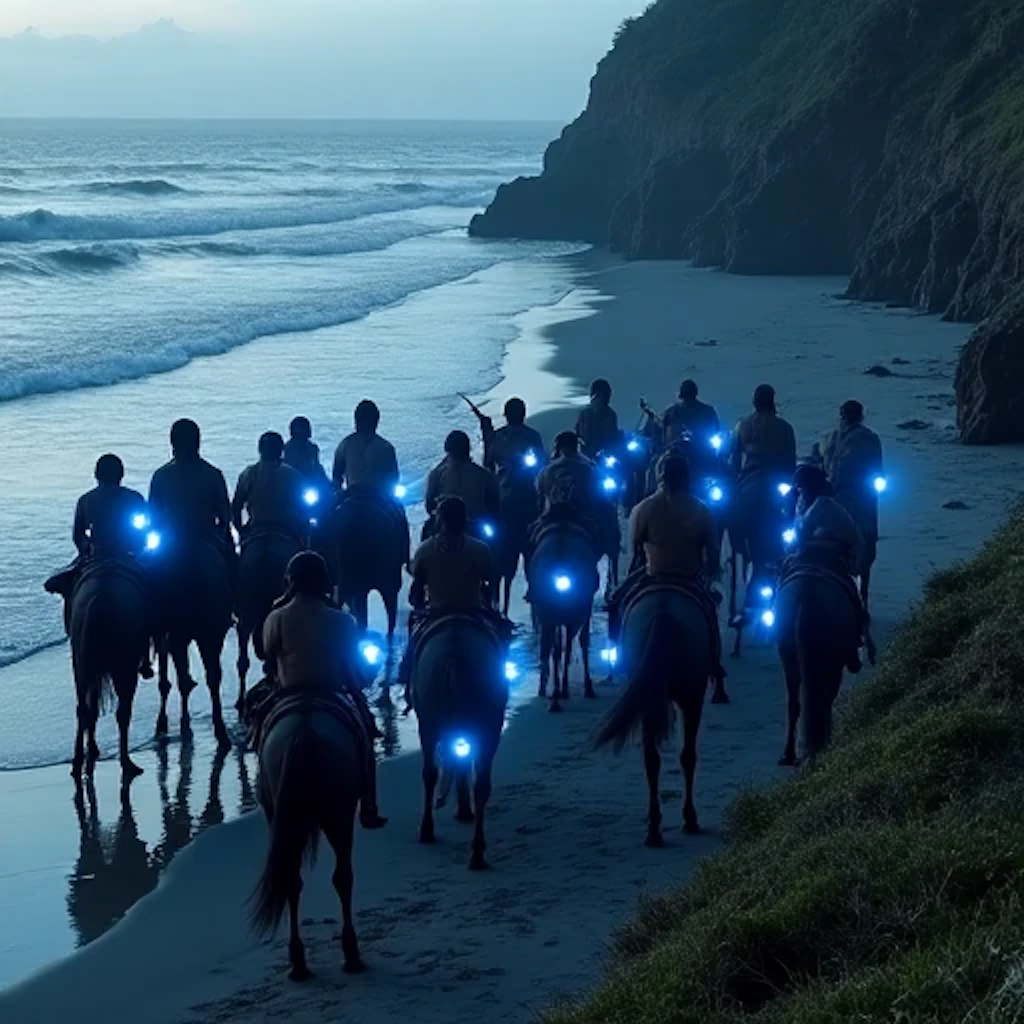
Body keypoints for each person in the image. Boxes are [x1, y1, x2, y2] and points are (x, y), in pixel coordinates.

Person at [262, 551, 386, 829]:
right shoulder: (343, 621)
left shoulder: (275, 617)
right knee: (365, 731)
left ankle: (265, 794)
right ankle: (368, 804)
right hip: (329, 691)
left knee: (260, 728)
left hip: (289, 692)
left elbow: (268, 658)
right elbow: (351, 671)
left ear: (290, 581)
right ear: (324, 582)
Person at [786, 463, 871, 670]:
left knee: (853, 592)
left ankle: (859, 635)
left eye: (802, 488)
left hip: (827, 554)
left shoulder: (824, 506)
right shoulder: (803, 504)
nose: (800, 492)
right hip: (809, 554)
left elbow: (802, 533)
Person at [148, 419, 235, 568]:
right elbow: (225, 516)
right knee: (233, 565)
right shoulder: (213, 474)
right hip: (206, 538)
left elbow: (153, 516)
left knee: (144, 571)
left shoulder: (161, 476)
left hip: (170, 541)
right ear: (198, 442)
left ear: (172, 443)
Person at [822, 400, 884, 604]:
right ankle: (863, 592)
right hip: (862, 495)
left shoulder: (831, 437)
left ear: (842, 416)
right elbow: (877, 469)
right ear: (860, 416)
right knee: (868, 537)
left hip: (837, 494)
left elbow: (825, 466)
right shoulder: (871, 438)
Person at [629, 453, 721, 580]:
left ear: (659, 476)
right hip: (689, 578)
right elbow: (713, 554)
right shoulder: (703, 511)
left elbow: (636, 550)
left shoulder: (642, 509)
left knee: (621, 597)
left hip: (655, 575)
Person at [410, 496, 495, 614]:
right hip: (471, 610)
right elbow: (490, 581)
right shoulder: (481, 550)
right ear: (465, 520)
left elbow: (416, 593)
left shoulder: (424, 550)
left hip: (436, 611)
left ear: (439, 520)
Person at [232, 432, 308, 543]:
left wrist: (241, 530)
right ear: (281, 450)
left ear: (259, 450)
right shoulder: (292, 475)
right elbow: (303, 508)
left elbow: (236, 507)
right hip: (286, 529)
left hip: (256, 529)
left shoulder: (248, 474)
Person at [73, 454, 148, 560]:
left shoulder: (86, 500)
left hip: (96, 555)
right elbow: (145, 531)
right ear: (121, 474)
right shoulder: (135, 498)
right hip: (128, 553)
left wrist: (88, 549)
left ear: (96, 475)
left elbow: (78, 536)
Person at [424, 430, 500, 527]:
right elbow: (494, 507)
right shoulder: (484, 475)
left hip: (448, 527)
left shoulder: (437, 474)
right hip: (475, 526)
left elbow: (429, 506)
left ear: (448, 451)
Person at [332, 400, 400, 497]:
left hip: (352, 497)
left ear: (356, 420)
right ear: (376, 421)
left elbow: (336, 478)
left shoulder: (345, 444)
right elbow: (393, 480)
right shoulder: (385, 447)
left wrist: (340, 494)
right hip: (379, 498)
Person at [731, 384, 797, 483]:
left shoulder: (743, 425)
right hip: (776, 477)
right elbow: (790, 458)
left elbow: (736, 456)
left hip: (750, 476)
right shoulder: (784, 427)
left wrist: (736, 477)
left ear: (754, 401)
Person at [484, 398, 546, 481]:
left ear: (506, 415)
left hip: (503, 484)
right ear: (523, 414)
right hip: (527, 484)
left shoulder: (497, 435)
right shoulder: (533, 435)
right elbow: (542, 462)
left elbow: (488, 464)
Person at [661, 380, 721, 449]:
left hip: (700, 449)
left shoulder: (671, 411)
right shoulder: (708, 411)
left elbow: (715, 430)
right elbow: (716, 430)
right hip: (680, 450)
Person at [575, 378, 621, 459]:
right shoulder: (585, 414)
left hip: (606, 456)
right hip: (587, 456)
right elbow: (579, 434)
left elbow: (613, 435)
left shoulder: (610, 414)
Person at [282, 416, 329, 487]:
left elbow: (317, 467)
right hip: (292, 484)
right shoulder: (288, 449)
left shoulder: (312, 448)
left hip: (310, 483)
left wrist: (328, 484)